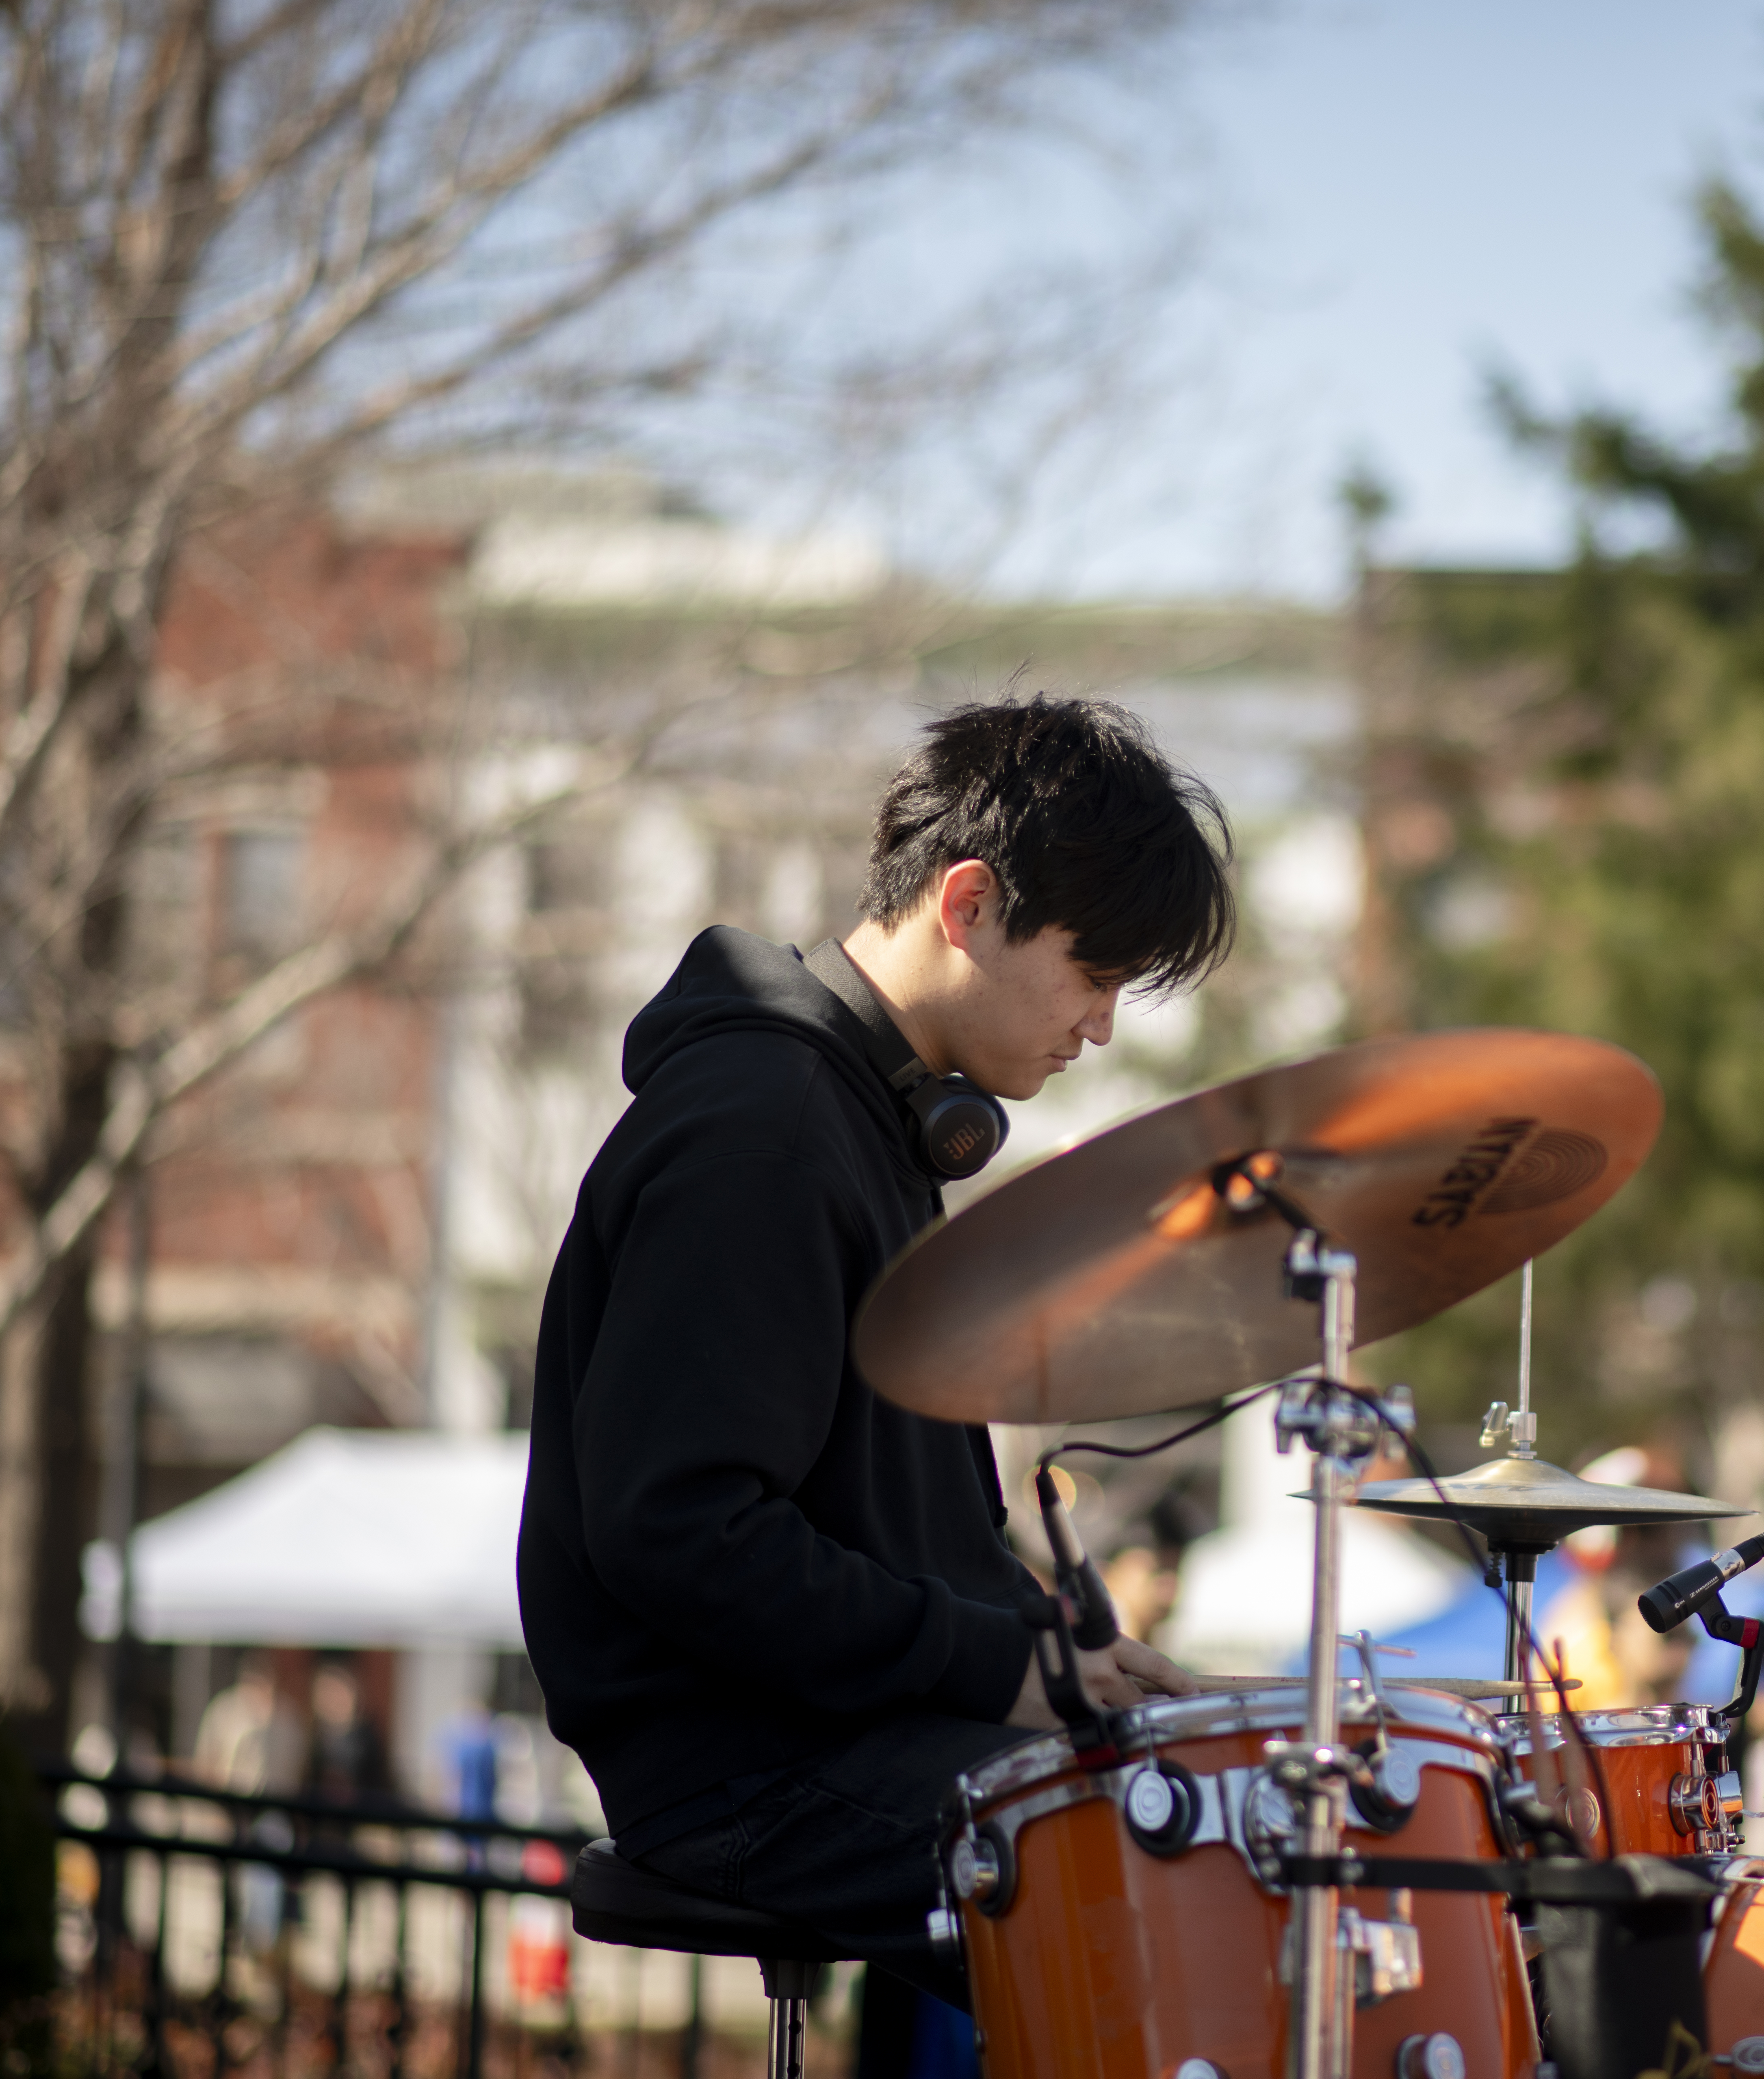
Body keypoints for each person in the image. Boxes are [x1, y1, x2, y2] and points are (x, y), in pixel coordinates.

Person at [515, 695, 1234, 1965]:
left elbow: (876, 1529)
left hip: (836, 1732)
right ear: (968, 906)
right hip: (751, 1772)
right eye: (1094, 972)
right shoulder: (768, 1135)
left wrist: (1058, 1649)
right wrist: (990, 1667)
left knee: (1229, 1799)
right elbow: (684, 1534)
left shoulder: (865, 1122)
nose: (1103, 1025)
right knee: (1205, 1868)